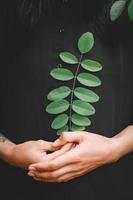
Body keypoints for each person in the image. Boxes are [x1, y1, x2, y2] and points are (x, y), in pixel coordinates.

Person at [0, 0, 133, 199]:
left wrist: (115, 148)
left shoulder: (124, 10)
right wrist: (10, 152)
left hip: (112, 187)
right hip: (18, 188)